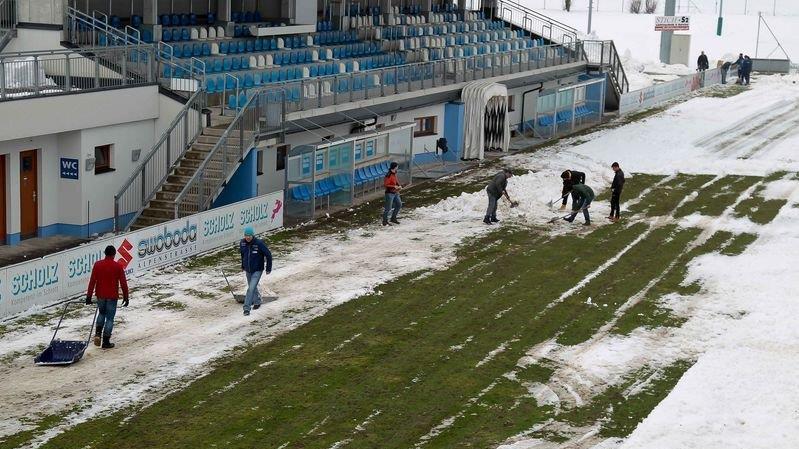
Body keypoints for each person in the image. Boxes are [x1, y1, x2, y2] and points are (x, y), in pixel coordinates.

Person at [86, 245, 129, 349]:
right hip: (112, 296)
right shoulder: (118, 266)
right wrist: (126, 297)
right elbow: (123, 283)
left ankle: (97, 334)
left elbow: (92, 281)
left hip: (100, 294)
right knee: (110, 318)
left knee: (101, 313)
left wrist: (89, 296)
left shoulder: (97, 265)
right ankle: (106, 341)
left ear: (105, 253)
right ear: (114, 254)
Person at [239, 227, 273, 316]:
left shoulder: (259, 243)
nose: (247, 237)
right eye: (246, 235)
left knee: (251, 288)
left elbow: (268, 255)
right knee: (252, 287)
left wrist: (268, 268)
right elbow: (243, 255)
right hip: (248, 270)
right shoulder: (242, 243)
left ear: (253, 235)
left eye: (249, 236)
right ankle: (257, 301)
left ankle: (246, 308)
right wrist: (243, 266)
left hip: (257, 270)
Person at [383, 162, 403, 226]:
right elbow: (386, 184)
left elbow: (396, 181)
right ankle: (385, 221)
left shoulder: (394, 173)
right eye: (397, 166)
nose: (397, 167)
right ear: (395, 167)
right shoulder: (388, 175)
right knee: (388, 208)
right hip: (389, 193)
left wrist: (399, 185)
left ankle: (393, 218)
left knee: (399, 204)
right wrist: (394, 186)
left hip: (395, 192)